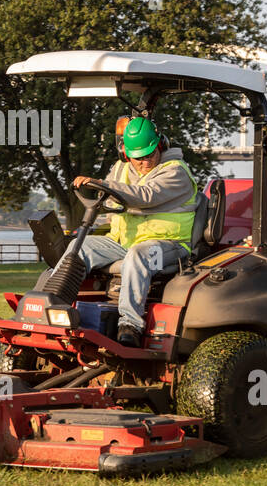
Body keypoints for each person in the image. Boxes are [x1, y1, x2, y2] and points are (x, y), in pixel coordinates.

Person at [68, 117, 198, 347]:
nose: (145, 162)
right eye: (138, 158)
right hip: (122, 242)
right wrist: (95, 188)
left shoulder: (176, 172)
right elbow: (106, 195)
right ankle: (55, 305)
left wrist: (104, 185)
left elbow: (145, 195)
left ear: (160, 145)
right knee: (80, 246)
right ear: (126, 155)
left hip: (169, 246)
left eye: (149, 155)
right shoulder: (120, 169)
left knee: (138, 255)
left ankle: (130, 325)